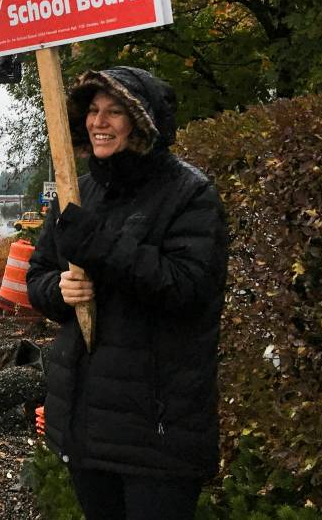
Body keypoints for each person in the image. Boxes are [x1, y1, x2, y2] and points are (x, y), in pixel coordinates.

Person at [25, 67, 228, 520]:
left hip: (158, 431)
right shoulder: (79, 192)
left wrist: (98, 243)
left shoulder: (190, 195)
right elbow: (38, 276)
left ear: (142, 120)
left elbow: (187, 287)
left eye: (115, 111)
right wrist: (61, 290)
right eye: (93, 111)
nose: (99, 121)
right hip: (87, 425)